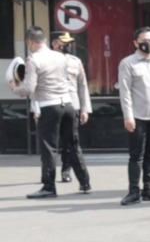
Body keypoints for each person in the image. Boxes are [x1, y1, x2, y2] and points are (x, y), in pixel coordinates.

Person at [10, 27, 90, 197]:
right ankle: (85, 182)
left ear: (30, 41)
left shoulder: (34, 59)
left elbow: (28, 88)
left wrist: (14, 87)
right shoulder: (61, 57)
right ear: (45, 40)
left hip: (49, 106)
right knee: (73, 144)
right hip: (68, 104)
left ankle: (49, 187)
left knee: (49, 148)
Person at [117, 27, 150, 206]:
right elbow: (125, 92)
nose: (148, 43)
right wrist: (128, 116)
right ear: (136, 43)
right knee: (136, 156)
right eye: (144, 40)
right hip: (137, 116)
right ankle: (134, 191)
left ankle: (149, 189)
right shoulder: (128, 63)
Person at [49, 31, 92, 189]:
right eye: (64, 42)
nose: (67, 45)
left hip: (72, 106)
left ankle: (66, 170)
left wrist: (85, 109)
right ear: (54, 43)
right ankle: (47, 177)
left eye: (69, 42)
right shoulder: (44, 60)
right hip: (50, 105)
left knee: (71, 142)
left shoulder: (75, 61)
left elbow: (82, 85)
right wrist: (36, 109)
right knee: (50, 143)